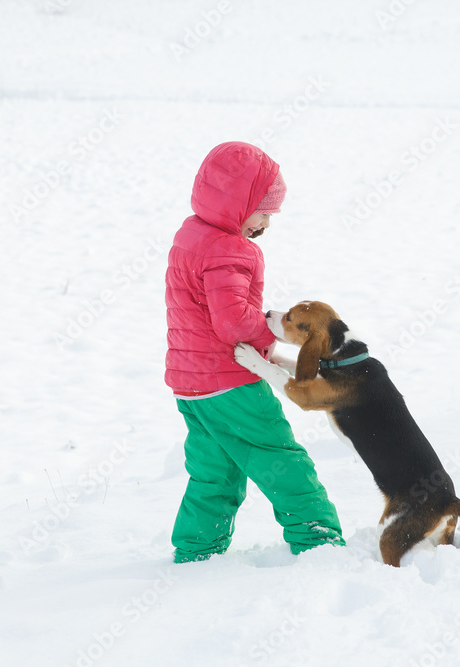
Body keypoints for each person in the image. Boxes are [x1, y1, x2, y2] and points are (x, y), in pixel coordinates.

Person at [165, 141, 345, 563]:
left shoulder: (190, 235)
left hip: (191, 383)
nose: (267, 221)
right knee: (279, 458)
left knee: (215, 472)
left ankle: (197, 549)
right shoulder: (229, 250)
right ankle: (318, 538)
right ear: (237, 203)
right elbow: (230, 323)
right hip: (232, 382)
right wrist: (272, 328)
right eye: (263, 210)